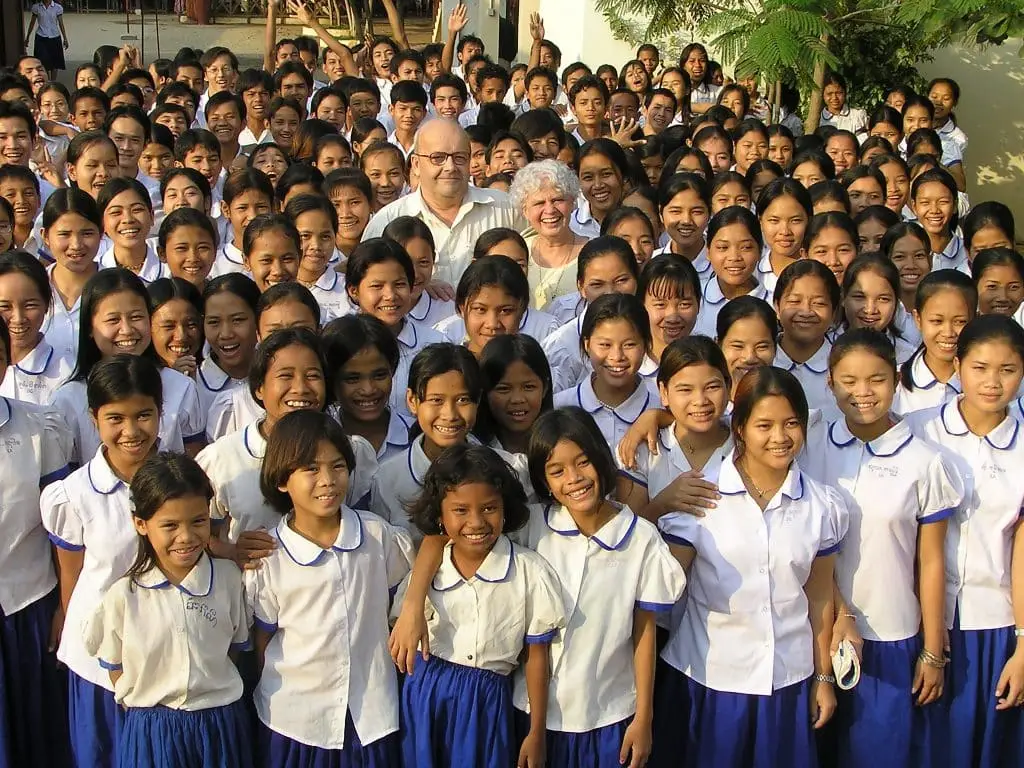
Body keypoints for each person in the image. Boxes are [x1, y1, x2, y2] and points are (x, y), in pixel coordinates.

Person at [651, 366, 848, 768]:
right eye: (764, 425)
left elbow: (819, 595)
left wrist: (823, 678)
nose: (780, 437)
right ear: (739, 428)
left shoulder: (823, 506)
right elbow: (664, 586)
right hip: (710, 681)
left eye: (791, 423)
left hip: (788, 680)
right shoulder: (701, 500)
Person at [804, 329, 962, 768]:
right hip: (815, 631)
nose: (863, 392)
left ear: (895, 380)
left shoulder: (924, 461)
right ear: (830, 382)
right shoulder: (809, 444)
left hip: (889, 636)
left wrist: (932, 650)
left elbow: (930, 561)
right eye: (849, 380)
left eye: (875, 379)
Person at [248, 410, 412, 767]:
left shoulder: (376, 536)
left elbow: (405, 598)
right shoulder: (270, 556)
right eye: (310, 469)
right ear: (281, 480)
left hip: (371, 716)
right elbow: (263, 642)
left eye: (337, 466)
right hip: (295, 722)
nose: (327, 480)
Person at [398, 444, 565, 768]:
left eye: (489, 508)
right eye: (460, 510)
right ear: (440, 515)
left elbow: (536, 657)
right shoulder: (428, 571)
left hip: (487, 702)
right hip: (424, 697)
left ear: (505, 508)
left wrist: (536, 731)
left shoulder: (529, 571)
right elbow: (401, 639)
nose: (476, 522)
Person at [83, 452, 252, 768]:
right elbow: (114, 666)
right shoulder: (125, 595)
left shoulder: (229, 579)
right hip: (151, 730)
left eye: (198, 521)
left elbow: (235, 650)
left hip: (219, 724)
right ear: (141, 524)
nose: (186, 537)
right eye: (170, 525)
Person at [908, 315, 1024, 768]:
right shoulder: (917, 431)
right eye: (980, 367)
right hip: (919, 618)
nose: (992, 382)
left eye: (1008, 370)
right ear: (957, 367)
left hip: (996, 624)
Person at [42, 355, 163, 768]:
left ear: (160, 413)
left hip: (166, 653)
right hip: (97, 662)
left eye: (144, 415)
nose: (131, 431)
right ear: (94, 418)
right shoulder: (74, 495)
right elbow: (72, 577)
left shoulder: (185, 480)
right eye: (116, 418)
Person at [362, 120, 524, 287]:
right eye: (437, 158)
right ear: (416, 165)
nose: (450, 167)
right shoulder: (387, 220)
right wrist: (419, 287)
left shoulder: (506, 208)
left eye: (459, 158)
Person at [894, 269, 977, 416]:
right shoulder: (894, 385)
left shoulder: (987, 386)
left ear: (975, 319)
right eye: (936, 321)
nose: (948, 333)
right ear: (917, 319)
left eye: (960, 322)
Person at [509, 160, 588, 311]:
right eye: (539, 203)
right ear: (525, 210)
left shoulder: (594, 253)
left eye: (557, 200)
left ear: (572, 203)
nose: (550, 210)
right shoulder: (516, 251)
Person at [0, 250, 73, 404]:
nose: (18, 319)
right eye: (5, 306)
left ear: (46, 304)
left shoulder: (68, 373)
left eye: (30, 305)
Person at [772, 260, 841, 419]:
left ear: (834, 312)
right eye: (795, 301)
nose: (806, 312)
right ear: (777, 306)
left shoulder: (846, 366)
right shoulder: (762, 360)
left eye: (819, 303)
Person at [25, 1, 68, 80]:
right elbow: (32, 23)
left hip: (54, 36)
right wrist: (27, 37)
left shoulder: (57, 7)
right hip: (41, 36)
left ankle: (53, 81)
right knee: (43, 60)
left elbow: (61, 23)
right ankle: (47, 80)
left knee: (55, 61)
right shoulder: (36, 7)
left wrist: (65, 38)